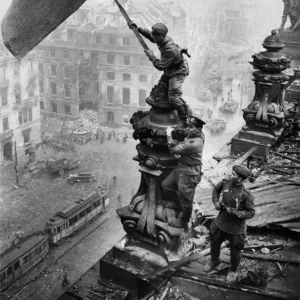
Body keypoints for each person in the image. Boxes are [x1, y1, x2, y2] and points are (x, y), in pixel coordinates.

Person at [128, 22, 189, 125]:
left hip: (178, 72)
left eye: (155, 36)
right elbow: (151, 37)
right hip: (170, 69)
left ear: (161, 36)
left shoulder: (170, 49)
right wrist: (138, 29)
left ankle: (183, 119)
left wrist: (151, 56)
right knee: (161, 87)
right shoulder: (161, 39)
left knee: (173, 97)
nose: (153, 38)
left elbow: (160, 66)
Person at [204, 165, 255, 283]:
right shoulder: (225, 182)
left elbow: (251, 212)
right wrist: (216, 202)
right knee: (214, 242)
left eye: (233, 174)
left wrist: (237, 214)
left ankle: (233, 270)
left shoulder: (246, 194)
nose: (229, 175)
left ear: (240, 179)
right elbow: (216, 190)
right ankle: (214, 260)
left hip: (236, 228)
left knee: (235, 250)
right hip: (221, 221)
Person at [162, 116, 205, 230]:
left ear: (199, 129)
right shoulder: (198, 135)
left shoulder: (193, 143)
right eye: (188, 126)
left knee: (187, 200)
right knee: (166, 186)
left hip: (189, 173)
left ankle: (183, 222)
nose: (188, 129)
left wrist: (168, 135)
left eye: (191, 127)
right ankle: (178, 204)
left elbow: (173, 149)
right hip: (182, 167)